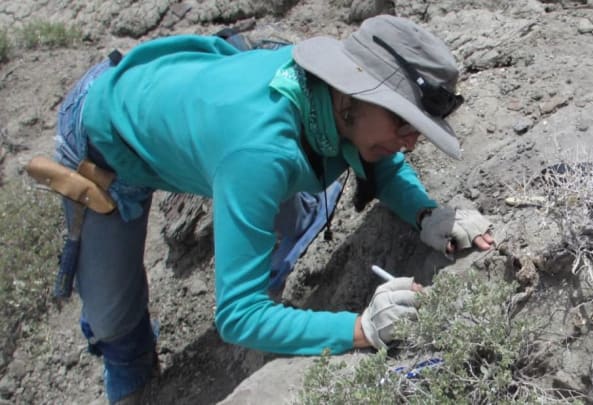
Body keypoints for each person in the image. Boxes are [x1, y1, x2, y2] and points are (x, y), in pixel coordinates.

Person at [52, 14, 494, 404]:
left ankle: (267, 292)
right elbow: (236, 316)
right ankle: (136, 383)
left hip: (190, 96)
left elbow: (381, 162)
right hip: (106, 140)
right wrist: (362, 329)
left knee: (295, 207)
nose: (411, 141)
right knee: (113, 320)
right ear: (352, 94)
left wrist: (425, 214)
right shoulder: (260, 153)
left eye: (416, 126)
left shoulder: (336, 100)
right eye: (403, 121)